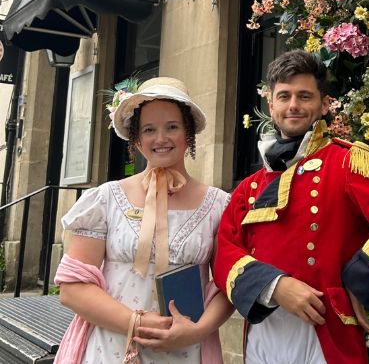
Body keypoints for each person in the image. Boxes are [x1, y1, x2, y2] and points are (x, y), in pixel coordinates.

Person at [213, 50, 369, 363]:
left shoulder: (348, 162)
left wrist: (358, 286)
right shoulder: (249, 187)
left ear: (324, 104)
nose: (293, 105)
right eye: (285, 96)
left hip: (328, 332)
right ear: (271, 104)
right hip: (263, 335)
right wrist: (276, 286)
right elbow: (224, 253)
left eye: (305, 96)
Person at [55, 77, 234, 363]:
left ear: (188, 132)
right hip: (110, 347)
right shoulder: (106, 199)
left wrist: (197, 331)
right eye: (149, 129)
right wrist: (135, 322)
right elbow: (72, 289)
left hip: (185, 351)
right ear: (137, 139)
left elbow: (229, 283)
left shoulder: (219, 205)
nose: (160, 139)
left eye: (172, 127)